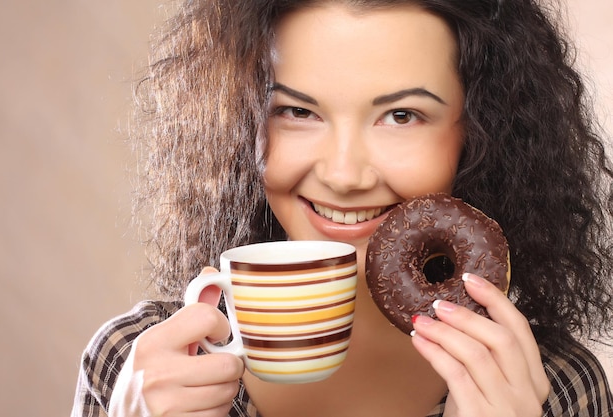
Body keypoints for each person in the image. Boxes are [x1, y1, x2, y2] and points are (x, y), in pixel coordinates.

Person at [72, 0, 613, 416]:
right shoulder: (134, 368)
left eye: (402, 115)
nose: (343, 175)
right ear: (238, 124)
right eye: (296, 111)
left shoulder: (551, 385)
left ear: (481, 133)